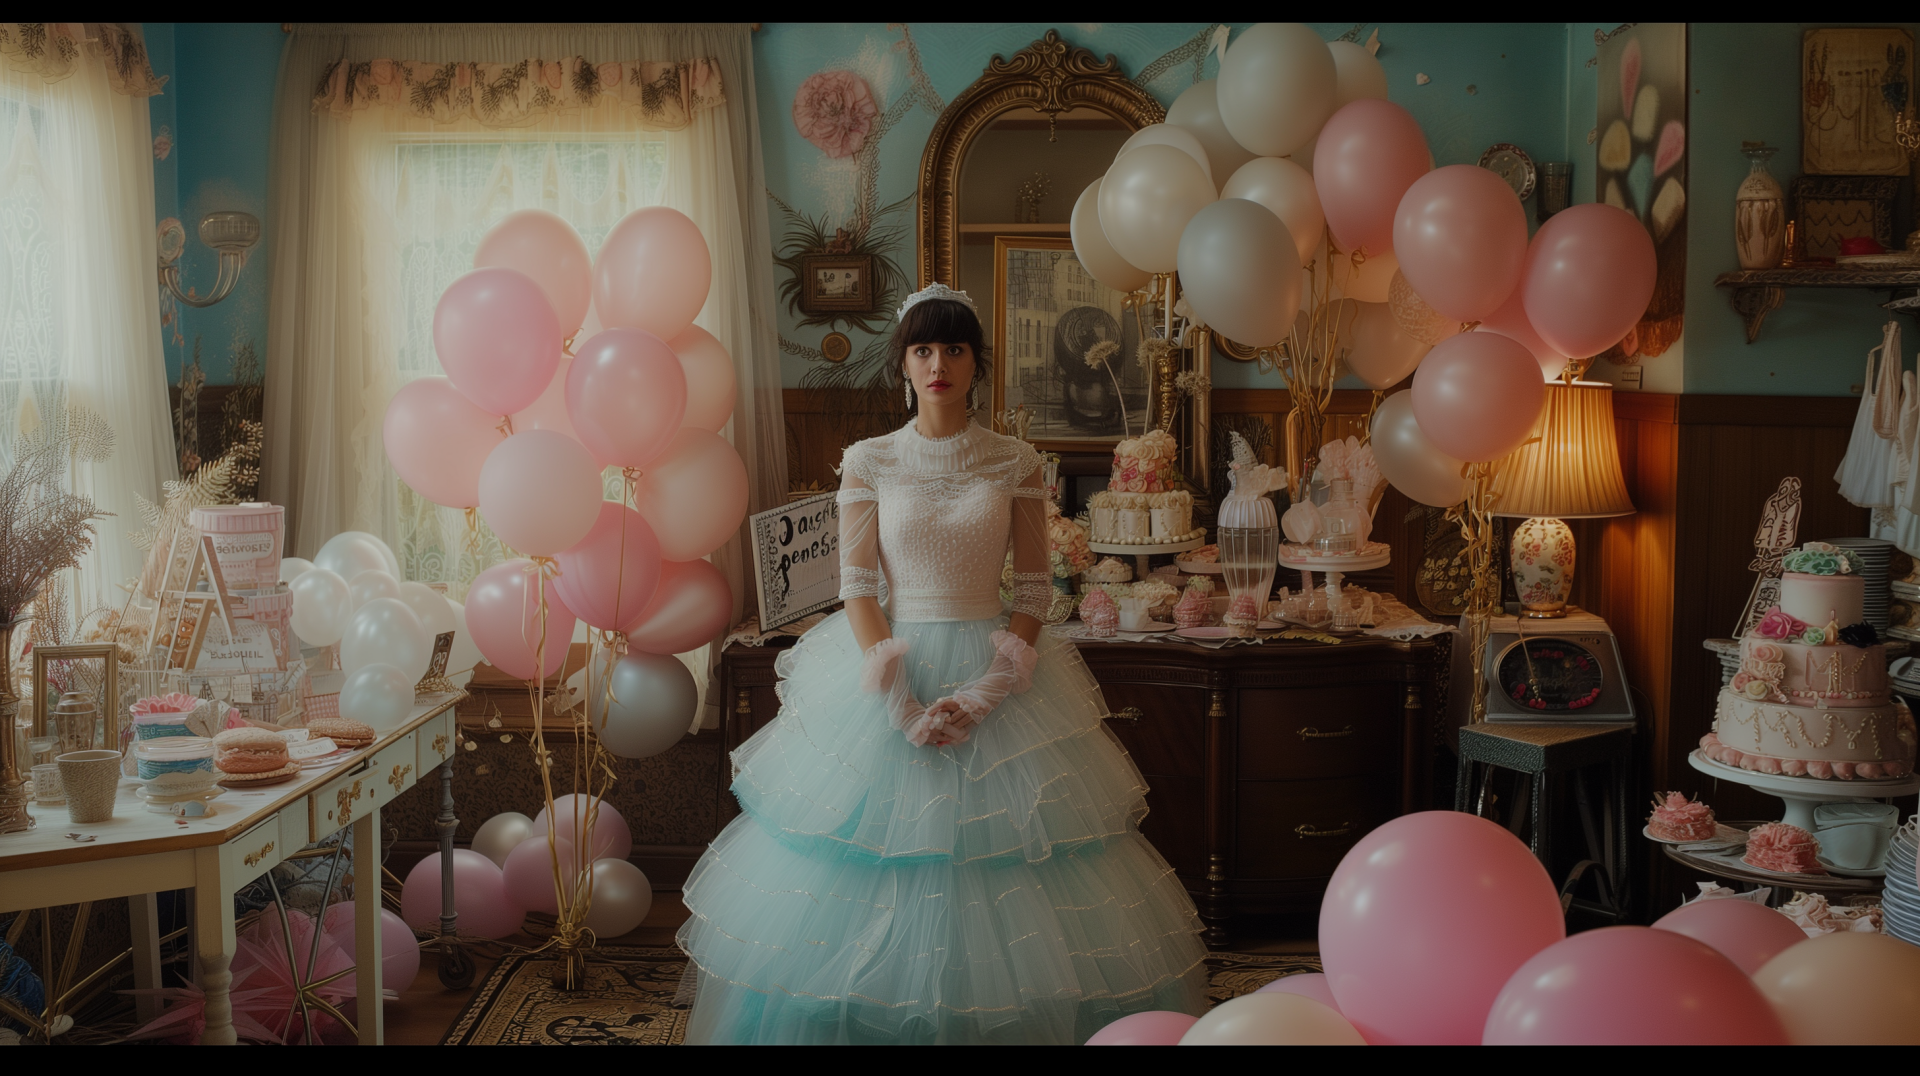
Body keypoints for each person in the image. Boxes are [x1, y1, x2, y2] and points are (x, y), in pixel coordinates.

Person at [677, 284, 1208, 1044]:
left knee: (1014, 865)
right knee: (867, 866)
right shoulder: (868, 460)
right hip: (890, 669)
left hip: (995, 669)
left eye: (954, 347)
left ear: (975, 363)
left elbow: (1031, 588)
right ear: (903, 365)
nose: (939, 363)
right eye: (923, 349)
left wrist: (988, 690)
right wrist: (901, 703)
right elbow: (858, 587)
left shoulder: (1016, 460)